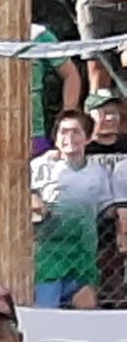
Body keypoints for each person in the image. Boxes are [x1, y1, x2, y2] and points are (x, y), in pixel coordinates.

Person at [30, 108, 112, 307]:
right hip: (47, 254)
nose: (69, 137)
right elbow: (23, 194)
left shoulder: (98, 172)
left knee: (87, 310)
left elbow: (107, 208)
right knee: (47, 312)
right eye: (63, 132)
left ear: (88, 138)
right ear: (56, 138)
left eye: (76, 132)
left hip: (83, 253)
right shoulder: (40, 166)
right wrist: (35, 202)